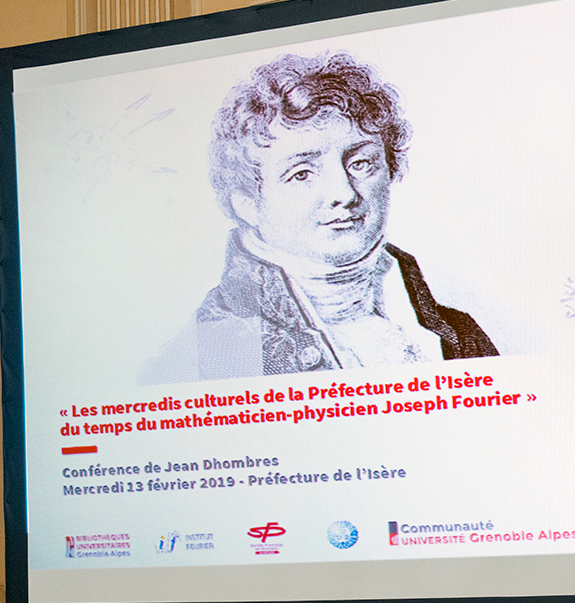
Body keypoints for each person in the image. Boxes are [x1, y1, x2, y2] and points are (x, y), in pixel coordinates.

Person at [167, 51, 498, 380]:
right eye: (302, 173)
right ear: (248, 203)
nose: (344, 193)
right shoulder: (205, 354)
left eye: (360, 164)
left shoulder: (460, 335)